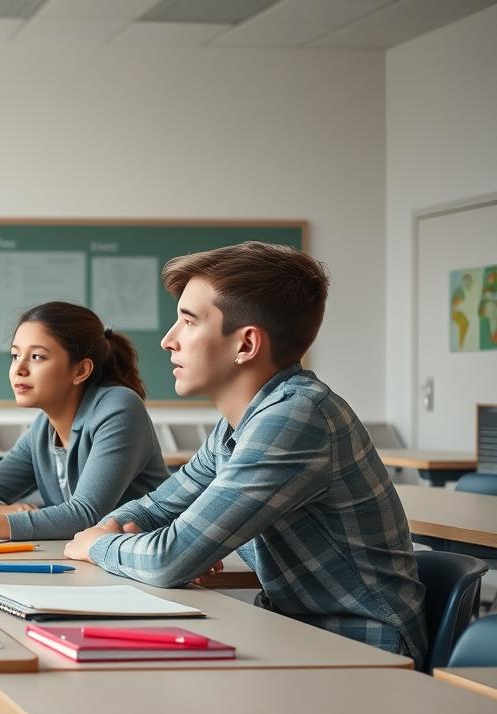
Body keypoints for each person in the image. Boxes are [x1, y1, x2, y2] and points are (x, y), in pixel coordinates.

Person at [64, 241, 428, 668]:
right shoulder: (239, 425)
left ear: (246, 344)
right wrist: (127, 535)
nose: (168, 341)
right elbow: (156, 509)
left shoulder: (296, 418)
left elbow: (170, 557)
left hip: (361, 653)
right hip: (292, 634)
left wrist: (102, 545)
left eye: (188, 322)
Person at [0, 302, 168, 541]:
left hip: (153, 560)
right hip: (95, 558)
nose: (19, 369)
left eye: (37, 356)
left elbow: (86, 515)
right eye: (15, 355)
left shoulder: (119, 407)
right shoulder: (43, 429)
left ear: (81, 370)